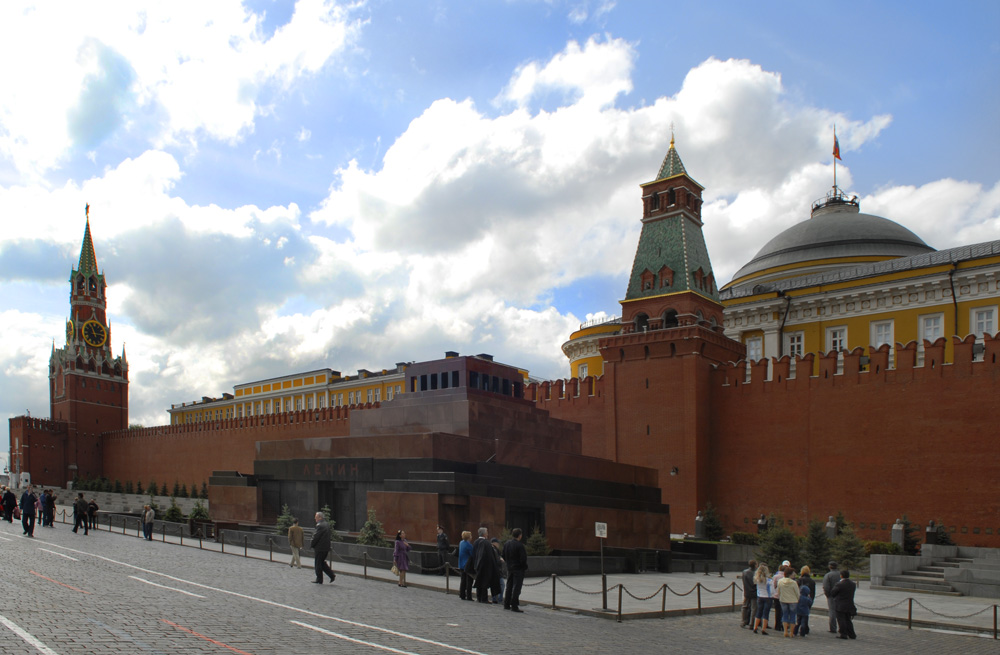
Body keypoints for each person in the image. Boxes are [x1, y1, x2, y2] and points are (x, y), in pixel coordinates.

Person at [502, 527, 527, 612]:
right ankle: (514, 605)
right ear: (520, 535)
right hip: (518, 569)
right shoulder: (520, 545)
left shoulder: (507, 544)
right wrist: (524, 567)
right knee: (516, 587)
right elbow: (523, 559)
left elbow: (503, 555)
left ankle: (506, 604)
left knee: (509, 586)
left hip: (509, 567)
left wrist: (508, 563)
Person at [472, 527, 500, 603]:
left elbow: (474, 554)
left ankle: (479, 597)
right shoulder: (486, 543)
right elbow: (490, 556)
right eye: (487, 532)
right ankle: (484, 598)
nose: (487, 533)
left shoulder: (475, 542)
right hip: (486, 566)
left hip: (477, 565)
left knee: (479, 581)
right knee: (484, 582)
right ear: (484, 534)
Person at [310, 511, 336, 584]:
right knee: (321, 563)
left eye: (316, 518)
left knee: (318, 563)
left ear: (320, 517)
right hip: (326, 547)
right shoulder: (326, 524)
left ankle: (319, 579)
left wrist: (312, 544)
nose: (315, 519)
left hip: (320, 547)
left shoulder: (320, 525)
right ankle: (331, 575)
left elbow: (316, 536)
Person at [830, 569, 857, 639]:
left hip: (840, 605)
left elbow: (833, 593)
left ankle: (843, 634)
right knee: (848, 620)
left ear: (841, 576)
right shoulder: (853, 584)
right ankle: (852, 634)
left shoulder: (839, 584)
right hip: (849, 604)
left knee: (841, 620)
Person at [777, 565, 800, 637]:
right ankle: (791, 633)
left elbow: (779, 591)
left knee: (785, 615)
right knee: (792, 616)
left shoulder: (780, 581)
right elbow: (797, 593)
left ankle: (785, 631)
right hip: (793, 600)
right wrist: (797, 599)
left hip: (783, 600)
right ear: (790, 574)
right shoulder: (793, 583)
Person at [751, 563, 771, 634]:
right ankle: (763, 629)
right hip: (767, 597)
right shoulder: (768, 580)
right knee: (766, 613)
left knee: (759, 612)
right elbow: (771, 590)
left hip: (759, 596)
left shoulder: (757, 579)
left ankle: (755, 627)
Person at [822, 561, 840, 633]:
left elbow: (826, 587)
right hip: (840, 596)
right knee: (840, 612)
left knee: (832, 611)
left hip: (831, 596)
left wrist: (828, 595)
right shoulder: (839, 574)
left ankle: (833, 628)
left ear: (830, 566)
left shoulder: (828, 575)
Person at [741, 559, 758, 628]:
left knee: (744, 607)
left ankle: (743, 621)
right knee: (754, 608)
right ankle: (752, 623)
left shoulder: (744, 572)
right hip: (754, 592)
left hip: (746, 591)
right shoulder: (756, 573)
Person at [458, 531, 474, 601]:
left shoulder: (461, 543)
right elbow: (472, 555)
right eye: (470, 536)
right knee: (469, 581)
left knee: (463, 580)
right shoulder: (469, 545)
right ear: (468, 537)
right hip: (467, 565)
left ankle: (462, 594)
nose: (471, 537)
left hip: (461, 564)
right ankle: (469, 596)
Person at [491, 538, 506, 603]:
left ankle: (495, 598)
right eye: (498, 543)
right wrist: (500, 560)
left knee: (495, 585)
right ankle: (499, 599)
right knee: (502, 584)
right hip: (497, 571)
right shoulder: (494, 550)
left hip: (494, 570)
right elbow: (497, 560)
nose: (499, 544)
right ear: (494, 543)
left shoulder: (494, 549)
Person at [770, 564, 785, 632]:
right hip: (783, 596)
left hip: (776, 596)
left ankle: (777, 625)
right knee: (783, 611)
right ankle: (782, 624)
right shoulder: (785, 576)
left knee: (777, 611)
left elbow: (773, 586)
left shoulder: (775, 577)